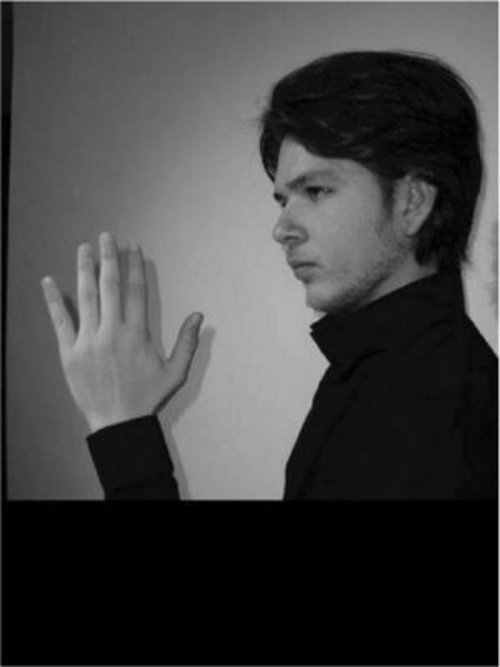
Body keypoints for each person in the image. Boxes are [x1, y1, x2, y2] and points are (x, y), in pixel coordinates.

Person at [41, 50, 498, 500]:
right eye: (283, 200)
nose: (281, 229)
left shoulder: (428, 413)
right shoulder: (390, 375)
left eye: (316, 190)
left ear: (413, 202)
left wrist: (123, 429)